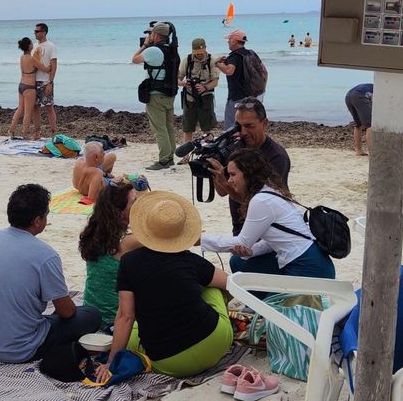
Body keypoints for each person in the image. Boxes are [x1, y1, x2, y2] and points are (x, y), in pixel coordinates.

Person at [94, 191, 232, 381]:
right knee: (211, 286)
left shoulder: (129, 262)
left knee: (133, 328)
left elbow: (125, 316)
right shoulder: (190, 261)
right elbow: (230, 284)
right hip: (215, 344)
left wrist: (111, 362)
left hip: (169, 362)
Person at [0, 184, 101, 363]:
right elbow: (67, 312)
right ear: (38, 220)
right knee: (92, 315)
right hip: (20, 349)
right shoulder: (45, 255)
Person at [201, 149, 335, 279]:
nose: (229, 181)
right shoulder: (269, 190)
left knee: (269, 301)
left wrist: (201, 240)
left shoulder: (261, 200)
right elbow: (271, 241)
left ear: (248, 174)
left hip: (308, 266)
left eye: (233, 175)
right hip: (315, 260)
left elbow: (242, 242)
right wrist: (251, 251)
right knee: (239, 261)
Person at [207, 97, 290, 236]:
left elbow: (262, 204)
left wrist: (224, 182)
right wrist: (216, 167)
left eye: (249, 126)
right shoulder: (235, 148)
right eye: (239, 126)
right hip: (239, 225)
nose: (243, 132)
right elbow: (222, 192)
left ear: (264, 124)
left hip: (269, 228)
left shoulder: (276, 157)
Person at [79, 182, 141, 326]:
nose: (139, 206)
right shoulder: (129, 242)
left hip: (91, 314)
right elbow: (169, 237)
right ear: (120, 212)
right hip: (114, 321)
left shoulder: (95, 233)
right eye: (134, 202)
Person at [132, 22, 179, 170]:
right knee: (168, 127)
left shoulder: (153, 50)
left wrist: (145, 45)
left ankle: (164, 160)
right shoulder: (172, 50)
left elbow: (134, 59)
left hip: (156, 95)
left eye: (151, 33)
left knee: (159, 129)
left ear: (157, 35)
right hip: (169, 94)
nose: (149, 36)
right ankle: (170, 157)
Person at [177, 37, 220, 162]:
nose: (199, 56)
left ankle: (210, 155)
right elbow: (178, 78)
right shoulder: (188, 60)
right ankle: (186, 157)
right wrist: (184, 83)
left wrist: (205, 87)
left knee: (207, 129)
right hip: (189, 98)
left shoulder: (212, 60)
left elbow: (215, 82)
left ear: (205, 48)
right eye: (196, 53)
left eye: (201, 53)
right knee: (187, 129)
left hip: (205, 98)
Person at [215, 29, 264, 129]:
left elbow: (229, 71)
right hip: (252, 96)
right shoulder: (251, 53)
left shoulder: (234, 56)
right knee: (247, 125)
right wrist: (262, 90)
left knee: (231, 127)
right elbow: (265, 72)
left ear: (234, 41)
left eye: (229, 39)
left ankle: (233, 144)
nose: (228, 42)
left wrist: (217, 64)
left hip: (236, 97)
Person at [7, 37, 43, 139]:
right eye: (31, 43)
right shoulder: (32, 59)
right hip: (30, 87)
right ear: (29, 46)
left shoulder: (22, 57)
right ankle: (25, 133)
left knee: (20, 109)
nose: (33, 44)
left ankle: (11, 130)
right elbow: (45, 68)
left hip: (21, 85)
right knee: (28, 112)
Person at [32, 23, 58, 138]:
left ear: (44, 32)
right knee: (35, 107)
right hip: (33, 81)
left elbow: (54, 66)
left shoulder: (51, 46)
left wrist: (50, 83)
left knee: (49, 107)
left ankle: (54, 133)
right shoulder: (33, 46)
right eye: (35, 31)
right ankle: (37, 133)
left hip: (45, 81)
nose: (35, 33)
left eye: (37, 31)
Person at [346, 83, 373, 156]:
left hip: (348, 95)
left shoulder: (371, 87)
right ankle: (372, 154)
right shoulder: (379, 91)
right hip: (359, 96)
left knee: (358, 124)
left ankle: (358, 150)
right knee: (370, 126)